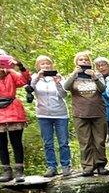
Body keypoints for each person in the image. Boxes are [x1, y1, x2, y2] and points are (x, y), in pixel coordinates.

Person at [64, 51, 108, 177]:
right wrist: (74, 74)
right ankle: (88, 166)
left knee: (99, 141)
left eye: (86, 60)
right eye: (81, 59)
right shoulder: (73, 76)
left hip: (98, 112)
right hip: (80, 113)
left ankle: (100, 165)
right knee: (85, 141)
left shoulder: (97, 74)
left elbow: (103, 89)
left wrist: (94, 77)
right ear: (76, 62)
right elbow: (66, 87)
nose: (84, 61)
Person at [32, 56, 71, 177]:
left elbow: (64, 94)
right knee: (48, 142)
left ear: (51, 65)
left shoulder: (59, 77)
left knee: (63, 141)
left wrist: (58, 83)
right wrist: (37, 78)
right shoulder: (35, 78)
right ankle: (51, 166)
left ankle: (65, 166)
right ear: (38, 66)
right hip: (43, 114)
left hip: (60, 114)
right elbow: (30, 89)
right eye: (42, 64)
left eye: (47, 63)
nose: (45, 66)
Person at [0, 54, 31, 183]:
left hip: (13, 109)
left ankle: (19, 171)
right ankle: (7, 171)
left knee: (16, 142)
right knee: (1, 144)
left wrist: (20, 66)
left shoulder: (11, 73)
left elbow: (25, 80)